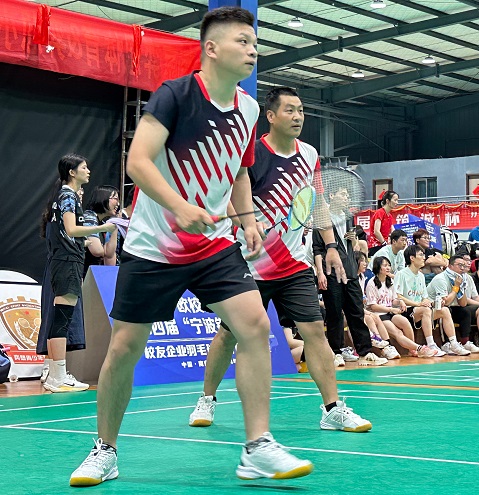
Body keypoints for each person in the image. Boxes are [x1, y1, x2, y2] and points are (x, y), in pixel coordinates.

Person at [70, 8, 313, 487]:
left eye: (254, 43)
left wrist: (247, 221)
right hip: (153, 245)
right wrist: (180, 206)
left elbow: (240, 171)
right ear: (212, 48)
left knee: (254, 324)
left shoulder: (247, 109)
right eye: (242, 41)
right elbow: (139, 161)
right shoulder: (175, 96)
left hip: (214, 245)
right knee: (125, 347)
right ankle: (105, 450)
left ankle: (258, 446)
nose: (252, 50)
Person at [188, 86, 373, 438]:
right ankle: (207, 399)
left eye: (301, 110)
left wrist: (331, 245)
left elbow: (316, 202)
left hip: (294, 264)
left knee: (314, 332)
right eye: (290, 110)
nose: (298, 116)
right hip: (250, 262)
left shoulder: (309, 154)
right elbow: (227, 195)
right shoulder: (253, 152)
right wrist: (246, 222)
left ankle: (332, 409)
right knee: (229, 334)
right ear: (270, 116)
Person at [39, 154, 116, 393]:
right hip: (67, 262)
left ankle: (55, 374)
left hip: (62, 260)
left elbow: (64, 233)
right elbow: (72, 229)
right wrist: (104, 227)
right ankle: (59, 376)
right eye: (84, 167)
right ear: (72, 172)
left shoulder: (62, 196)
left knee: (59, 318)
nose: (88, 171)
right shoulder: (68, 196)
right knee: (62, 319)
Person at [313, 185, 388, 367]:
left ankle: (365, 353)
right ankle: (336, 352)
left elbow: (353, 247)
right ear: (331, 195)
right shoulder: (322, 218)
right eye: (343, 193)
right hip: (331, 273)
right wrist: (321, 273)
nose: (347, 197)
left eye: (347, 195)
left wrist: (354, 240)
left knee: (357, 313)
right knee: (335, 315)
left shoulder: (348, 218)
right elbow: (317, 249)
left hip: (351, 273)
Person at [394, 245, 462, 357]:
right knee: (426, 310)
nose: (424, 257)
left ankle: (454, 344)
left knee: (444, 310)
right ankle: (431, 344)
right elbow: (398, 296)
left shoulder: (421, 276)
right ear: (412, 258)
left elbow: (424, 297)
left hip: (420, 309)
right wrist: (418, 304)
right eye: (421, 255)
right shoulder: (401, 274)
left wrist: (432, 303)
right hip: (406, 310)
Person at [365, 257, 437, 358]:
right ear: (378, 268)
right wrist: (391, 309)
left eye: (389, 265)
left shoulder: (390, 281)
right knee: (397, 332)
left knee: (405, 322)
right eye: (385, 265)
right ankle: (419, 348)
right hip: (379, 315)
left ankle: (412, 350)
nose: (388, 268)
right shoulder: (371, 283)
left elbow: (394, 300)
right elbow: (373, 306)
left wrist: (400, 301)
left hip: (391, 312)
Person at [426, 255, 478, 354]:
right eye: (459, 265)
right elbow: (446, 302)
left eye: (463, 265)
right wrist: (456, 287)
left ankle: (465, 342)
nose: (462, 268)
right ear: (450, 266)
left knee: (465, 311)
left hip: (450, 306)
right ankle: (446, 344)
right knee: (446, 310)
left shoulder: (460, 278)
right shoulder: (441, 278)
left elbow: (463, 304)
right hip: (434, 308)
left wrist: (460, 287)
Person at [355, 251, 397, 358]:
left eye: (366, 261)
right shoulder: (358, 280)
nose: (365, 263)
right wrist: (366, 311)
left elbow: (361, 299)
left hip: (361, 309)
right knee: (369, 318)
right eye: (362, 261)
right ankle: (377, 340)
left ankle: (387, 345)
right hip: (351, 311)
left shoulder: (362, 277)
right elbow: (352, 303)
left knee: (374, 317)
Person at [83, 185, 121, 275]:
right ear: (103, 198)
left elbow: (109, 254)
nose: (118, 204)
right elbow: (97, 251)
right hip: (82, 273)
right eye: (115, 199)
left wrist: (116, 224)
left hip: (93, 273)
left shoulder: (103, 222)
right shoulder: (89, 217)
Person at [367, 190, 399, 256]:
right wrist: (384, 243)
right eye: (395, 200)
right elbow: (376, 231)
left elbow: (393, 231)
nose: (397, 202)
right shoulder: (380, 212)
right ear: (387, 201)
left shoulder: (389, 216)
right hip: (375, 246)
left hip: (383, 245)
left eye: (397, 200)